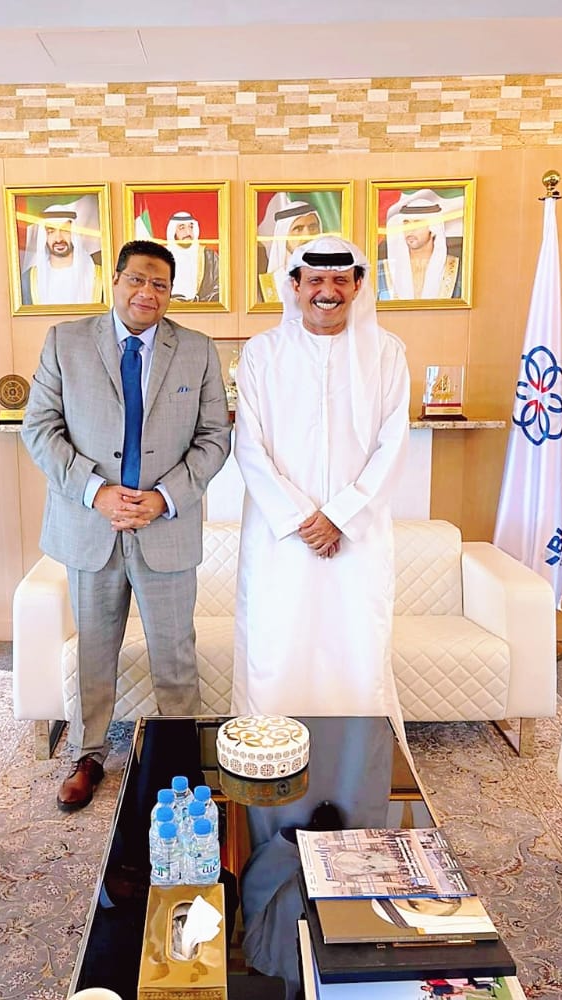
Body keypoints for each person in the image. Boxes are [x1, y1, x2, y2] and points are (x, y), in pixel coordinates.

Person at [22, 240, 231, 811]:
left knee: (175, 655)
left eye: (160, 284)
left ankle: (179, 760)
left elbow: (215, 438)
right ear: (114, 281)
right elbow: (40, 428)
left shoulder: (197, 350)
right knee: (94, 650)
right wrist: (96, 491)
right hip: (91, 525)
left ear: (171, 293)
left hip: (165, 527)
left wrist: (164, 498)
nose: (147, 292)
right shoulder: (65, 342)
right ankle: (88, 755)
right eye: (137, 279)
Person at [231, 235, 410, 735]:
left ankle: (357, 759)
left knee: (357, 648)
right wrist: (302, 518)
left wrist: (340, 517)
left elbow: (393, 445)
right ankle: (268, 753)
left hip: (358, 538)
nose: (327, 291)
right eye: (315, 281)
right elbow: (249, 446)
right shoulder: (262, 353)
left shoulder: (387, 354)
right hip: (281, 538)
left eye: (338, 280)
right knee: (277, 646)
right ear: (295, 286)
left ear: (358, 285)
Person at [377, 189, 462, 300]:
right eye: (406, 223)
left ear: (433, 229)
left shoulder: (458, 269)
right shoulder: (381, 270)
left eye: (417, 224)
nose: (410, 230)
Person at [21, 204, 103, 305]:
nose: (59, 239)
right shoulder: (28, 281)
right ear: (44, 236)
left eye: (65, 231)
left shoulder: (98, 277)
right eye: (51, 232)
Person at [258, 201, 322, 303]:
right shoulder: (271, 283)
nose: (307, 235)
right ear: (284, 236)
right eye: (298, 229)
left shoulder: (333, 275)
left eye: (312, 227)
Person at [165, 210, 220, 302]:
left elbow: (220, 287)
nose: (188, 233)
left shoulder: (208, 256)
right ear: (173, 232)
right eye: (182, 228)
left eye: (191, 227)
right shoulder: (161, 257)